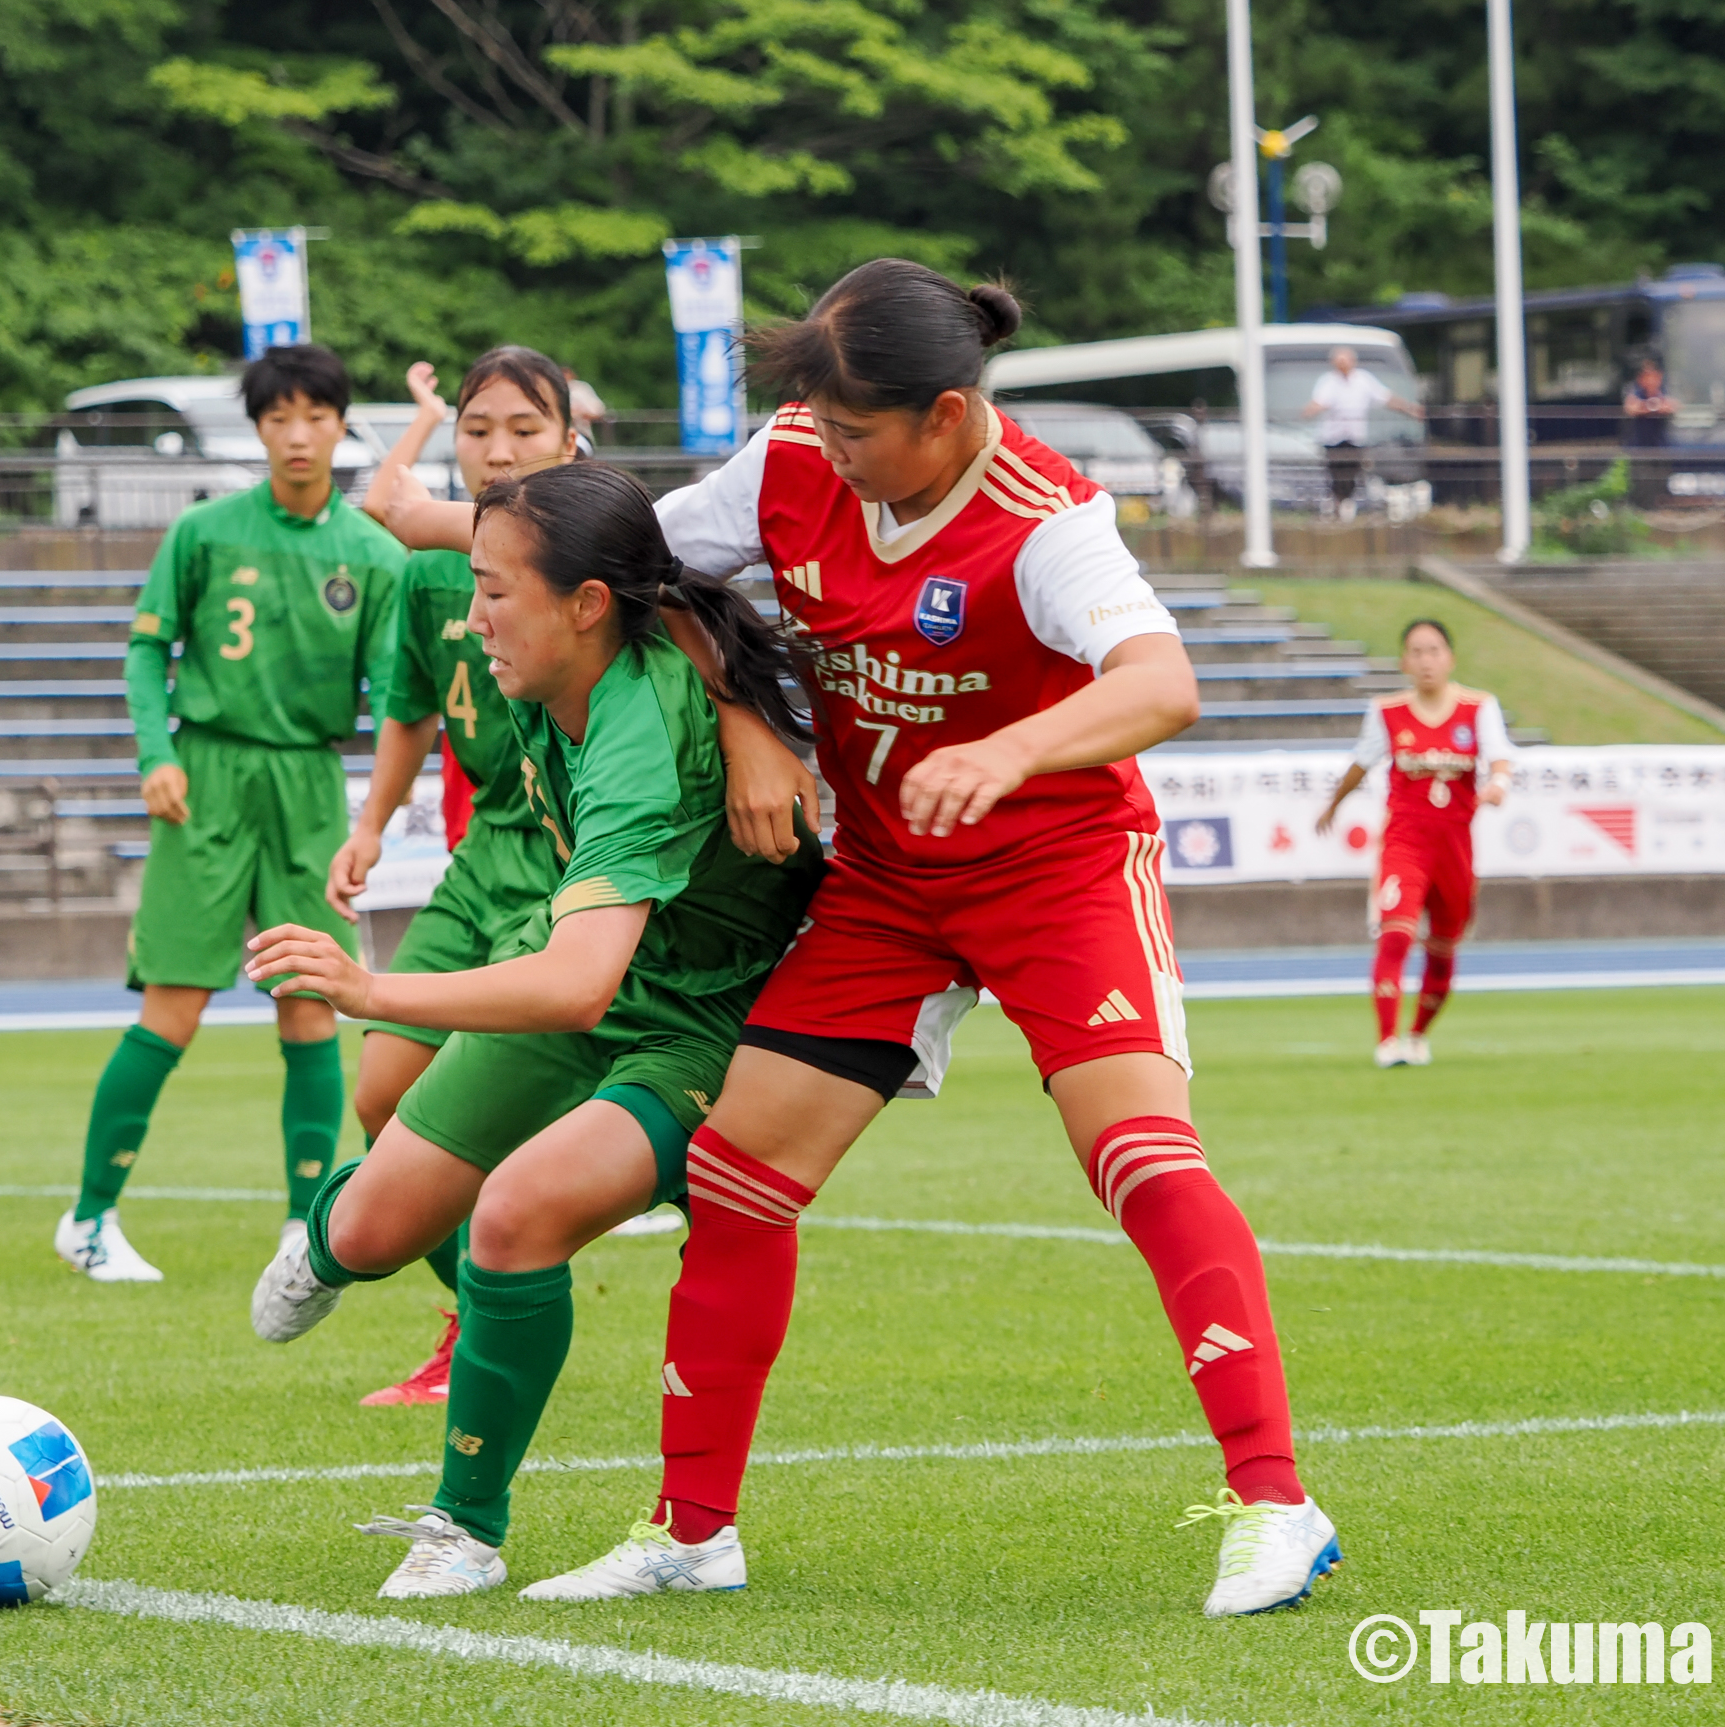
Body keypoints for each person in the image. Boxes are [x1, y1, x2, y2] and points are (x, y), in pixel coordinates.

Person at [521, 257, 1339, 1620]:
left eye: (857, 431)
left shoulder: (1046, 519)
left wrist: (1012, 751)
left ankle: (1275, 1503)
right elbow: (634, 569)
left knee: (1139, 1159)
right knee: (735, 1175)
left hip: (1058, 870)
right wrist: (746, 723)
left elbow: (1162, 682)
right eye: (821, 426)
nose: (830, 454)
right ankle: (691, 1531)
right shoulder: (792, 462)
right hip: (888, 886)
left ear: (947, 416)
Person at [239, 459, 823, 1599]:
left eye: (496, 592)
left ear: (587, 603)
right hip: (584, 961)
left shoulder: (638, 726)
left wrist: (370, 992)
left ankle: (465, 1528)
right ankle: (328, 1237)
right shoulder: (573, 648)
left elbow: (576, 987)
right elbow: (672, 591)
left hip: (696, 1023)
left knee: (514, 1214)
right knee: (368, 1229)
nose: (474, 619)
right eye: (475, 584)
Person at [54, 344, 406, 1283]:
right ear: (257, 429)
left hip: (308, 785)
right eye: (278, 418)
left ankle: (302, 1224)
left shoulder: (375, 555)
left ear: (342, 426)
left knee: (312, 1007)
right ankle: (89, 1218)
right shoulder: (204, 532)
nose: (298, 435)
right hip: (206, 777)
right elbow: (146, 652)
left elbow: (394, 697)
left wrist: (375, 815)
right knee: (173, 1008)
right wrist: (156, 754)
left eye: (315, 416)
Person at [333, 347, 586, 1405]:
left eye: (525, 429)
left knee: (513, 1110)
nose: (498, 450)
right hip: (481, 859)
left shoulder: (602, 561)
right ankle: (474, 1312)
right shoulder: (427, 572)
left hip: (573, 866)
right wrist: (370, 827)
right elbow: (410, 711)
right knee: (381, 1094)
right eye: (477, 429)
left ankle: (506, 1304)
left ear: (569, 441)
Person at [1313, 618, 1515, 1068]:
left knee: (1443, 948)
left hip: (1455, 849)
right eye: (1417, 652)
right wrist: (1333, 805)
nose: (1426, 661)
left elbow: (1500, 757)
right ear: (1404, 661)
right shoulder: (1387, 711)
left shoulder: (1478, 707)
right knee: (1396, 935)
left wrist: (1498, 785)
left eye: (1434, 650)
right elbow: (1362, 763)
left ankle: (1418, 1035)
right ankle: (1387, 1041)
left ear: (1450, 658)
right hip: (1405, 843)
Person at [1302, 345, 1422, 512]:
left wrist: (1409, 409)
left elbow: (1385, 398)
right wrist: (1309, 411)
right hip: (1332, 438)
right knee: (1334, 473)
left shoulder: (1364, 380)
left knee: (1352, 472)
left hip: (1355, 437)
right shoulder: (1328, 381)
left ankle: (1345, 503)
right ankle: (1337, 504)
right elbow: (1318, 402)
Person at [1621, 357, 1677, 449]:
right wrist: (1650, 406)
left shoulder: (1664, 391)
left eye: (1653, 376)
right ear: (1640, 378)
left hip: (1661, 445)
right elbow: (1630, 408)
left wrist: (1655, 406)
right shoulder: (1634, 390)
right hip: (1638, 445)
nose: (1650, 380)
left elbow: (1672, 406)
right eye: (1647, 376)